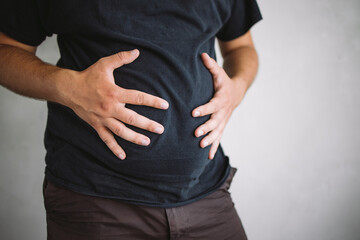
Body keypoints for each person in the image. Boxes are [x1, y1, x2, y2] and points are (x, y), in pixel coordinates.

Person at [0, 0, 262, 239]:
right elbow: (5, 50)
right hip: (96, 204)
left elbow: (241, 46)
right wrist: (67, 87)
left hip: (207, 195)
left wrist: (236, 89)